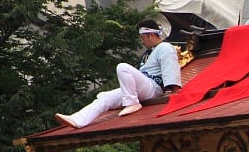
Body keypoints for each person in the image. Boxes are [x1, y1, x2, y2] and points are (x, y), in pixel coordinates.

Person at [55, 19, 183, 128]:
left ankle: (132, 103)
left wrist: (174, 90)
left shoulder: (165, 48)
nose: (142, 41)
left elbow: (170, 68)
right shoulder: (150, 52)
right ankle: (78, 120)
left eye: (143, 38)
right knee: (105, 98)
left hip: (152, 87)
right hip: (140, 88)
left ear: (150, 35)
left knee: (123, 67)